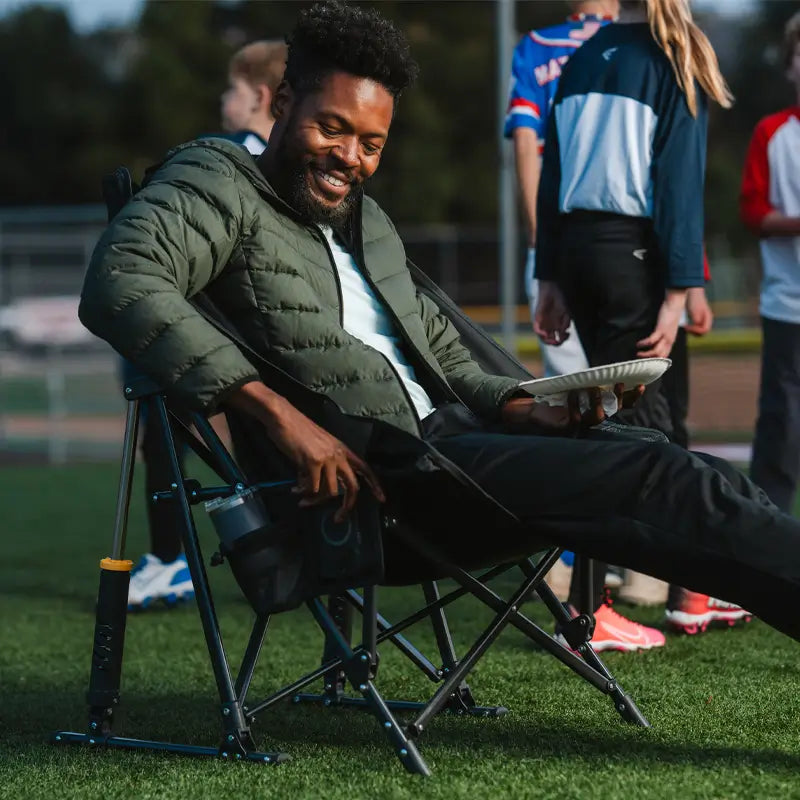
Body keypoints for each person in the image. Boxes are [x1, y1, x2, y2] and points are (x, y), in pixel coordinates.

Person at [80, 1, 800, 655]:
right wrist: (278, 417)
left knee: (688, 468)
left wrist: (532, 406)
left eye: (370, 143)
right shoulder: (217, 180)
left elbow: (446, 351)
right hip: (388, 485)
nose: (350, 159)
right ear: (283, 102)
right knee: (661, 473)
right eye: (332, 127)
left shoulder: (364, 222)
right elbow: (122, 281)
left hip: (454, 447)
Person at [533, 0, 751, 635]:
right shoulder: (674, 57)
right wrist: (682, 292)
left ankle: (685, 594)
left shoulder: (580, 58)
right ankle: (592, 610)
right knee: (643, 433)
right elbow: (679, 185)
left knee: (632, 424)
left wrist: (550, 276)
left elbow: (552, 177)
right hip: (635, 256)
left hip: (581, 252)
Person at [505, 0, 667, 652]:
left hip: (566, 247)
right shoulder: (637, 40)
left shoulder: (538, 47)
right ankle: (613, 588)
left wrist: (549, 257)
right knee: (624, 412)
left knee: (574, 413)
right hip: (625, 248)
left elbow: (527, 147)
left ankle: (580, 576)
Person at [124, 39, 289, 611]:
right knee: (252, 447)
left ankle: (174, 562)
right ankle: (278, 547)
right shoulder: (291, 157)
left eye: (233, 89)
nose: (225, 99)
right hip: (273, 334)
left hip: (215, 330)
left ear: (260, 96)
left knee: (166, 433)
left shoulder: (227, 152)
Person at [741, 11, 800, 514]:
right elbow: (754, 210)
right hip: (789, 304)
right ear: (790, 66)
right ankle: (769, 524)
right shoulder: (772, 132)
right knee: (781, 423)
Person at [220, 39, 288, 156]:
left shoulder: (218, 152)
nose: (224, 96)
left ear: (258, 98)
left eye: (233, 88)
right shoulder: (288, 163)